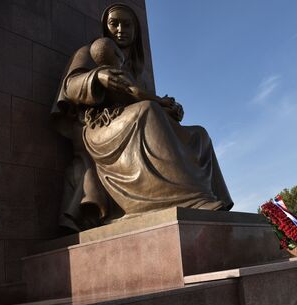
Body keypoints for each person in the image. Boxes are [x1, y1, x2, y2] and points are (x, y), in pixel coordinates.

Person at [51, 4, 233, 231]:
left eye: (126, 24)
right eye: (114, 24)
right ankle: (190, 201)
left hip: (127, 122)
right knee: (147, 112)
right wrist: (98, 76)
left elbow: (138, 97)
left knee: (199, 135)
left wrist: (169, 109)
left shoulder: (135, 70)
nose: (120, 29)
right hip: (98, 126)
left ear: (136, 30)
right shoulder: (90, 52)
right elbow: (69, 87)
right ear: (105, 28)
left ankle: (214, 198)